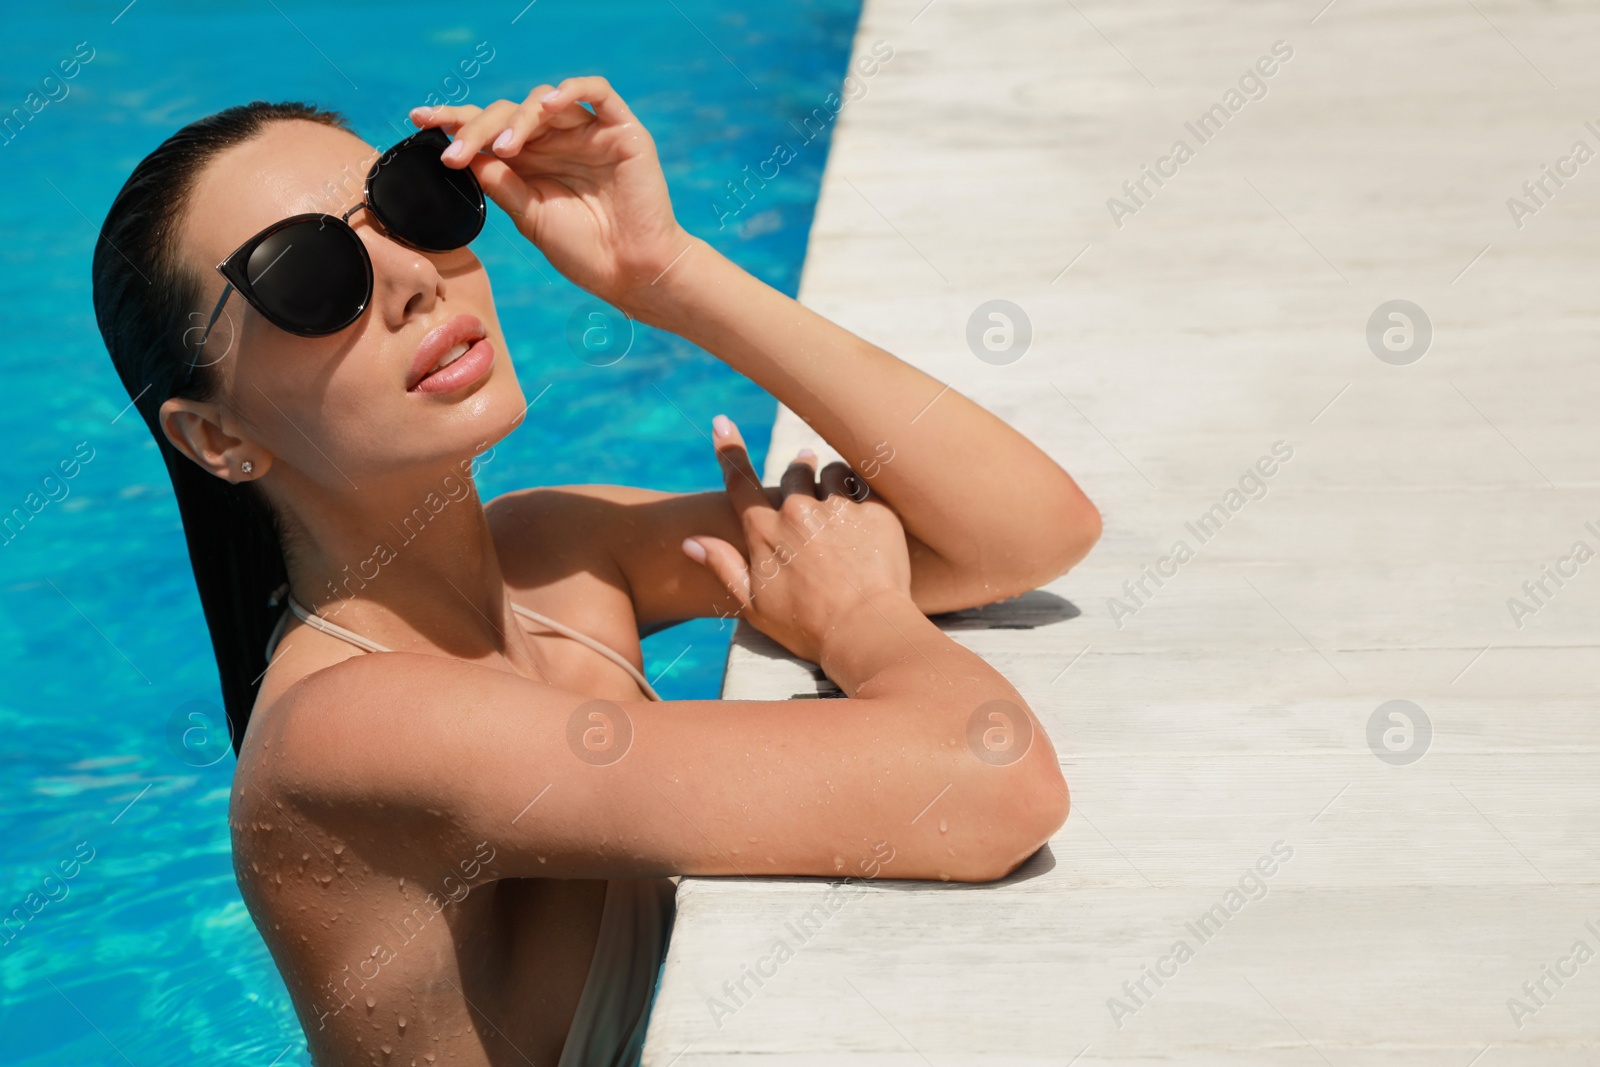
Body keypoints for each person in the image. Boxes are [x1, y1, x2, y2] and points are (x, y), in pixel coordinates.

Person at [92, 77, 1100, 1067]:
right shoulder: (344, 728)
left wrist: (665, 273)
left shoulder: (557, 551)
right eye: (309, 276)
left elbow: (1021, 534)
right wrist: (863, 620)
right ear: (217, 436)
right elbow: (990, 782)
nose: (412, 277)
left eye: (410, 201)